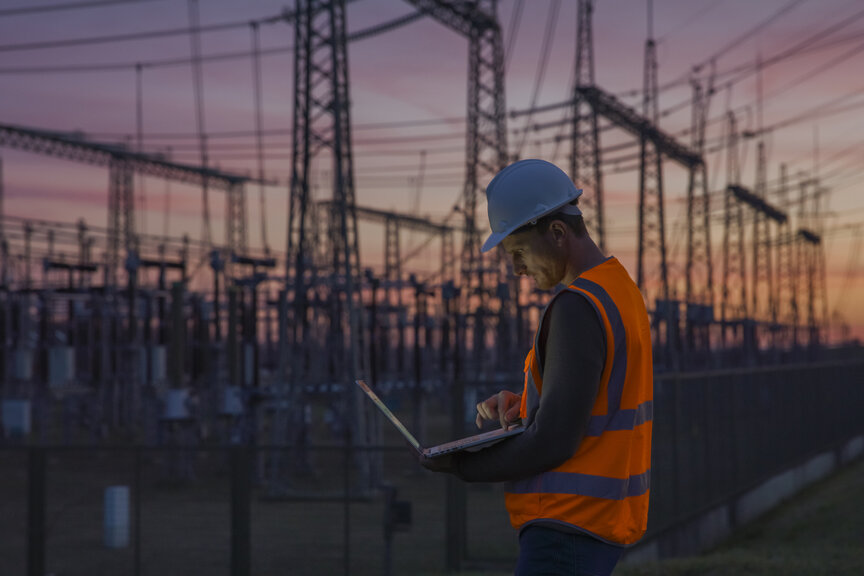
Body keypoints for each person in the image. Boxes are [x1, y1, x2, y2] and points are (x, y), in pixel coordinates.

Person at [420, 159, 653, 576]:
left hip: (566, 529)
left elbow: (554, 441)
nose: (516, 269)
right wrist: (528, 404)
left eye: (519, 251)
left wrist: (462, 464)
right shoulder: (621, 292)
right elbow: (595, 400)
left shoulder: (576, 307)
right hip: (598, 523)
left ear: (558, 233)